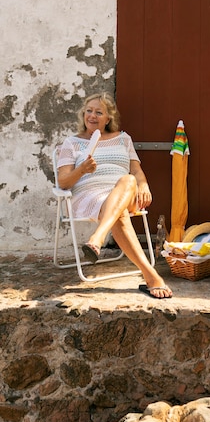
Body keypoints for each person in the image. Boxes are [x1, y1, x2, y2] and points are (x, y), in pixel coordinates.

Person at [57, 92, 172, 299]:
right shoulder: (72, 143)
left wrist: (143, 186)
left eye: (98, 112)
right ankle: (151, 276)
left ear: (108, 118)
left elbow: (135, 172)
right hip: (88, 195)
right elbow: (63, 182)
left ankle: (97, 238)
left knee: (128, 180)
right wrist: (81, 169)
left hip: (124, 193)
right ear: (83, 114)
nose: (92, 116)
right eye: (89, 111)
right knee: (118, 211)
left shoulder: (123, 138)